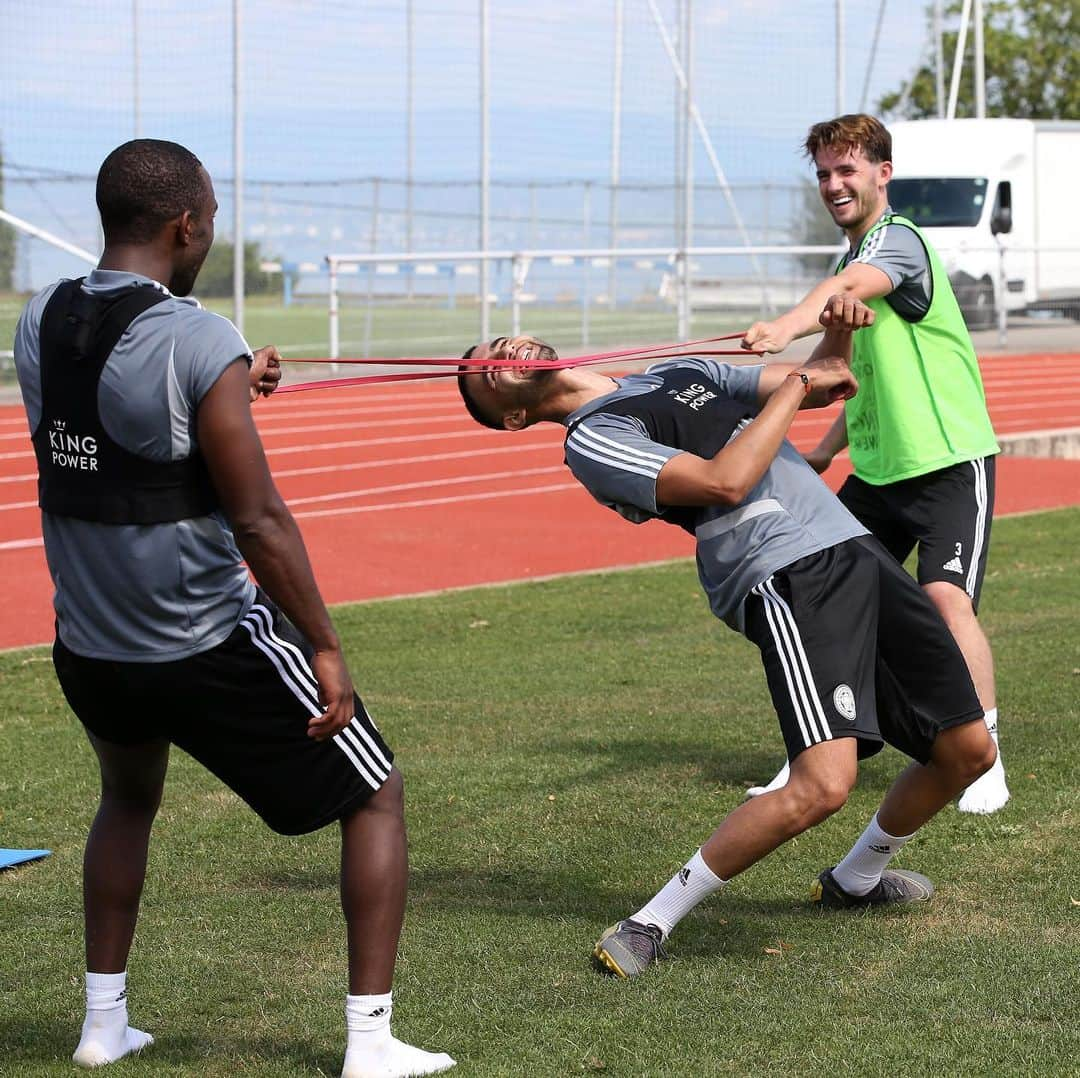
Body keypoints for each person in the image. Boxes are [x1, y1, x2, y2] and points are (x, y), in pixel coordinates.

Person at [13, 139, 454, 1077]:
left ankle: (101, 1027)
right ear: (186, 224)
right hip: (205, 642)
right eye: (210, 216)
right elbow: (258, 518)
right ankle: (370, 1044)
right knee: (375, 795)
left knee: (127, 800)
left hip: (90, 648)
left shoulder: (40, 315)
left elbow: (105, 438)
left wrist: (226, 390)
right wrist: (326, 647)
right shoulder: (199, 337)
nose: (211, 229)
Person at [455, 303, 997, 979]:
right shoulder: (594, 436)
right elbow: (724, 481)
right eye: (485, 368)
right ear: (511, 417)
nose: (500, 350)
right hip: (786, 568)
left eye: (498, 343)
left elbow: (821, 379)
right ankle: (649, 920)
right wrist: (800, 386)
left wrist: (842, 328)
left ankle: (855, 879)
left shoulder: (677, 371)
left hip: (853, 549)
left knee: (967, 750)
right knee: (823, 785)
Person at [742, 113, 1008, 815]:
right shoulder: (844, 269)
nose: (834, 184)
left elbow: (844, 295)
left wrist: (781, 327)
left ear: (881, 174)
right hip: (880, 474)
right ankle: (819, 751)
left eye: (847, 170)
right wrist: (824, 450)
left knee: (945, 600)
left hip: (949, 460)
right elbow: (837, 371)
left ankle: (985, 752)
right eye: (825, 173)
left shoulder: (900, 244)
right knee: (819, 597)